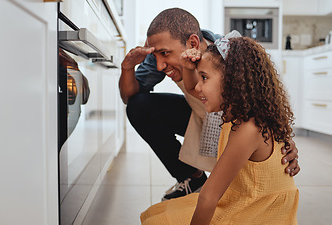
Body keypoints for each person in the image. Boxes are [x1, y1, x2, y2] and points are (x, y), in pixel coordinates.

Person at [119, 8, 300, 201]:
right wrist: (127, 68)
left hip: (233, 124)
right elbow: (129, 98)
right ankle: (192, 178)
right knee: (139, 106)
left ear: (193, 43)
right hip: (199, 116)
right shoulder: (160, 56)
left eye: (165, 54)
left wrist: (283, 138)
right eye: (156, 56)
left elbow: (267, 97)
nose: (159, 66)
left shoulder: (230, 54)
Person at [136, 33, 299, 225]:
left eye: (203, 77)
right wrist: (188, 66)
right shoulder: (239, 113)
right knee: (158, 215)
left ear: (232, 81)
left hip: (257, 218)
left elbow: (208, 196)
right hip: (243, 203)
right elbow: (191, 87)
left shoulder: (248, 128)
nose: (197, 86)